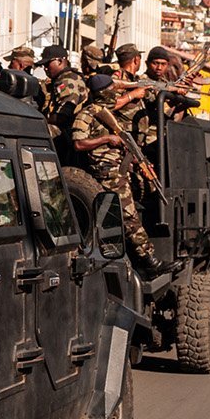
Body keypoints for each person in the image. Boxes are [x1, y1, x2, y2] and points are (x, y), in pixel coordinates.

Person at [70, 72, 160, 274]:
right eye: (111, 90)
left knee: (124, 213)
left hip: (118, 169)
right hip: (106, 172)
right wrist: (106, 139)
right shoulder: (87, 114)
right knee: (128, 215)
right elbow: (78, 143)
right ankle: (148, 260)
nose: (115, 93)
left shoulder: (107, 113)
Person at [40, 44, 86, 153]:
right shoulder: (64, 78)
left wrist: (40, 121)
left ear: (60, 61)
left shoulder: (67, 80)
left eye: (48, 64)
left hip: (69, 133)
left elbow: (63, 116)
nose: (45, 68)